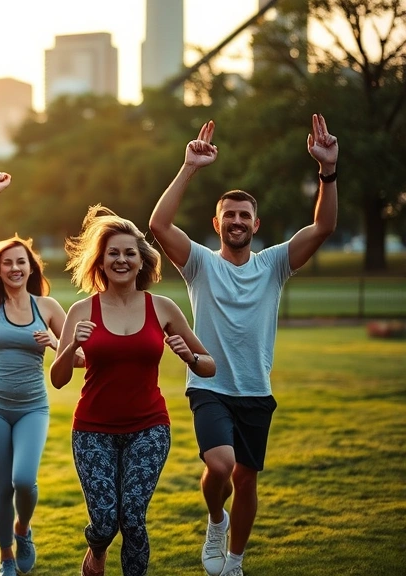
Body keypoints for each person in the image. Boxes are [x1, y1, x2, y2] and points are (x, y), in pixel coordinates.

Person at [148, 114, 338, 576]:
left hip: (255, 387)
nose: (236, 221)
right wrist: (189, 168)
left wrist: (327, 172)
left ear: (256, 222)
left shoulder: (274, 264)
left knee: (246, 479)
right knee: (221, 463)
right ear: (216, 223)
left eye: (243, 215)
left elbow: (323, 228)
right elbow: (158, 224)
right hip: (209, 383)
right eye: (228, 215)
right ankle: (216, 518)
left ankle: (234, 562)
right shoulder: (199, 264)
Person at [49, 207, 216, 576]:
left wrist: (190, 357)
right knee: (106, 522)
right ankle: (97, 550)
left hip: (149, 427)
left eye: (129, 253)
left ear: (142, 260)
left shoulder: (162, 307)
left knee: (134, 519)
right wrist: (67, 347)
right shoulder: (81, 310)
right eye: (113, 253)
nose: (121, 259)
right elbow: (58, 379)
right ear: (101, 261)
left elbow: (209, 365)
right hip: (93, 430)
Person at [0, 172, 68, 576]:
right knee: (3, 485)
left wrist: (56, 345)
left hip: (32, 407)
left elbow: (76, 361)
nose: (13, 267)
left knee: (24, 480)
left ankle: (22, 529)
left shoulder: (49, 308)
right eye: (6, 262)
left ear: (30, 267)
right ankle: (6, 557)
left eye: (20, 262)